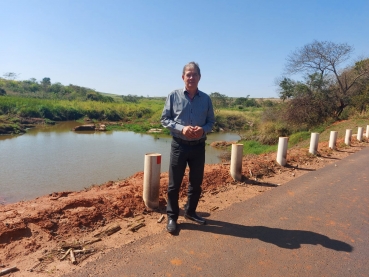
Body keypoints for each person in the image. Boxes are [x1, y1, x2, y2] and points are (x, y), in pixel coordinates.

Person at [161, 61, 215, 233]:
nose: (191, 77)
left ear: (199, 77)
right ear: (183, 77)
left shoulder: (206, 99)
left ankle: (191, 212)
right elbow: (165, 119)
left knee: (196, 183)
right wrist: (181, 128)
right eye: (188, 74)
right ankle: (172, 217)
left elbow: (211, 122)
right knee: (174, 184)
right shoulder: (173, 95)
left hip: (198, 147)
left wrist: (203, 130)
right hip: (179, 146)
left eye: (194, 74)